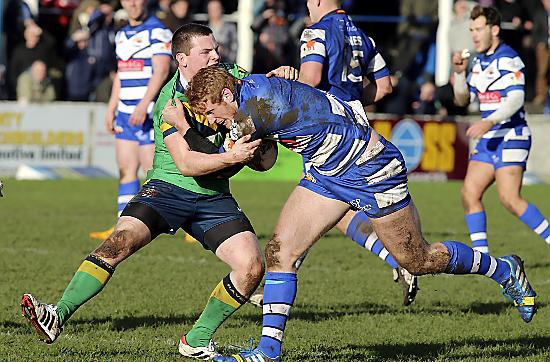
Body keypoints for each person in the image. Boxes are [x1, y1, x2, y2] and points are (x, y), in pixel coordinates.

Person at [171, 65, 537, 362]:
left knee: (417, 259)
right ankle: (268, 353)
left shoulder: (257, 108)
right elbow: (265, 155)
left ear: (227, 95)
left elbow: (224, 162)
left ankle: (503, 268)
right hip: (328, 172)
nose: (214, 121)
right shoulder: (251, 89)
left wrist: (183, 126)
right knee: (280, 252)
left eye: (213, 112)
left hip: (369, 168)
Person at [20, 23, 296, 360]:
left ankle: (196, 339)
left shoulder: (229, 75)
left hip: (213, 195)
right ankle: (57, 315)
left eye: (215, 49)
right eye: (205, 51)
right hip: (168, 188)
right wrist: (234, 155)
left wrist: (278, 78)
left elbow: (255, 91)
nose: (215, 55)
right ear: (182, 59)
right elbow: (187, 165)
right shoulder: (169, 101)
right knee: (119, 241)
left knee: (252, 266)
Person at [250, 0, 417, 308]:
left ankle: (278, 284)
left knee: (306, 212)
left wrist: (286, 81)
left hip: (324, 127)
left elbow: (311, 79)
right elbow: (385, 88)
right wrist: (351, 100)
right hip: (356, 126)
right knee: (335, 212)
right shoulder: (362, 37)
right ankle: (396, 261)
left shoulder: (315, 32)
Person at [452, 6, 550, 254]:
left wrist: (489, 121)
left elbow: (516, 99)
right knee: (469, 193)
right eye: (471, 30)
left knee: (509, 199)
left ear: (494, 29)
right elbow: (462, 101)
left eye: (478, 29)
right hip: (490, 137)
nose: (474, 35)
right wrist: (460, 75)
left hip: (511, 134)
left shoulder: (509, 58)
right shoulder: (476, 62)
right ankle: (483, 259)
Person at [89, 0, 172, 240]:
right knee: (126, 169)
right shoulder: (123, 33)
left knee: (154, 172)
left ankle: (182, 224)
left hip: (147, 113)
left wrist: (145, 104)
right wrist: (111, 107)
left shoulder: (158, 30)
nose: (132, 3)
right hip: (126, 112)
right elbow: (121, 73)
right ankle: (122, 225)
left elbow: (162, 70)